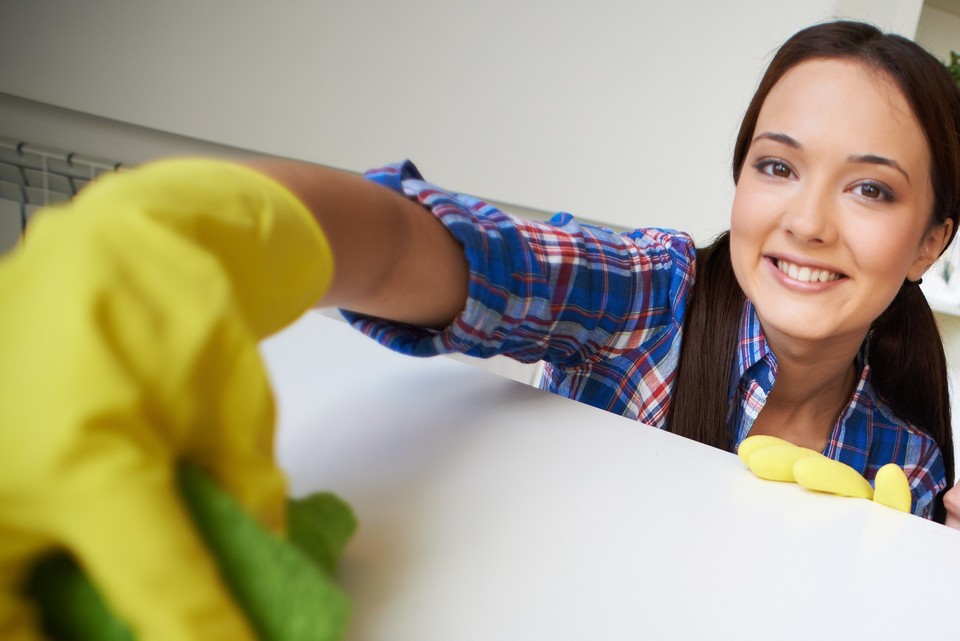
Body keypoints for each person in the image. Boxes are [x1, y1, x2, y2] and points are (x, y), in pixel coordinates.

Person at [2, 17, 959, 641]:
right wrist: (184, 236)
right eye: (777, 166)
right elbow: (402, 247)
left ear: (929, 242)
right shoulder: (654, 295)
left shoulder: (906, 460)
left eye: (870, 188)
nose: (805, 221)